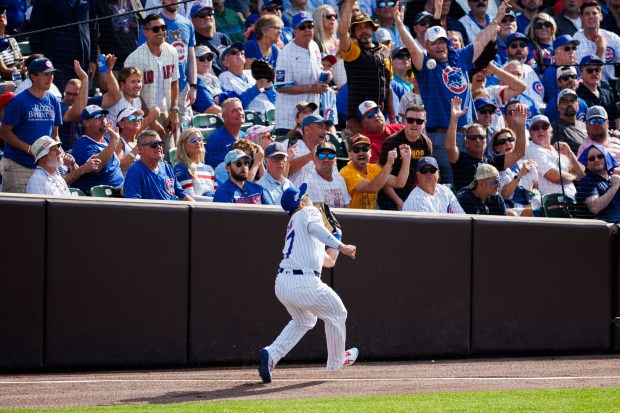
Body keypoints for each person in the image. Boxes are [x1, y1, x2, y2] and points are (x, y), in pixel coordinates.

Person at [394, 1, 507, 186]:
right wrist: (399, 25)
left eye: (442, 42)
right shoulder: (426, 65)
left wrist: (497, 18)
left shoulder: (459, 57)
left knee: (472, 185)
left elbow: (480, 40)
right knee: (447, 184)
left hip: (469, 136)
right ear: (427, 46)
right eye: (434, 43)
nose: (440, 46)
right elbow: (412, 48)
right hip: (440, 136)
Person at [258, 183, 358, 384]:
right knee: (338, 313)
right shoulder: (308, 213)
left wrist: (337, 237)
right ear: (301, 203)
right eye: (306, 195)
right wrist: (342, 246)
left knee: (305, 321)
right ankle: (337, 361)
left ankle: (272, 354)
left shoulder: (301, 229)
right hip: (302, 282)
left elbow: (329, 262)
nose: (310, 198)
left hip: (283, 284)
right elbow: (315, 227)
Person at [0, 57, 62, 193]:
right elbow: (4, 132)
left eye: (52, 74)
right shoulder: (19, 101)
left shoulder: (53, 101)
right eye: (46, 74)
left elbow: (55, 134)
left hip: (44, 168)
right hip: (19, 165)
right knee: (19, 212)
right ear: (33, 76)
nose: (50, 78)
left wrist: (58, 150)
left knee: (43, 210)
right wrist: (29, 149)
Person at [125, 14, 180, 154]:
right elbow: (133, 94)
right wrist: (150, 120)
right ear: (146, 32)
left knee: (171, 155)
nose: (161, 32)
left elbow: (175, 81)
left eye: (163, 27)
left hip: (165, 114)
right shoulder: (135, 58)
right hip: (140, 117)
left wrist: (174, 110)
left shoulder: (172, 51)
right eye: (156, 29)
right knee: (147, 158)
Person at [448, 96, 527, 192]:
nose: (477, 140)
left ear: (486, 140)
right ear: (466, 142)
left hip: (489, 205)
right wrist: (454, 119)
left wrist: (521, 126)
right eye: (473, 138)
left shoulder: (491, 162)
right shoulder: (461, 160)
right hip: (468, 205)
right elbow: (450, 147)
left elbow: (519, 153)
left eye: (481, 137)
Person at [338, 2, 394, 134]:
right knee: (361, 153)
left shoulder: (384, 50)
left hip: (380, 118)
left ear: (373, 29)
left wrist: (392, 117)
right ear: (354, 33)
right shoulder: (352, 51)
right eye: (359, 28)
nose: (364, 31)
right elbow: (341, 32)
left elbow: (388, 87)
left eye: (367, 27)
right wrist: (350, 3)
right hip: (358, 120)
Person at [274, 11, 325, 135]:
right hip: (289, 121)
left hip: (311, 118)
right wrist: (311, 88)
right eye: (303, 27)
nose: (307, 30)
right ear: (295, 31)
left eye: (310, 26)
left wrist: (326, 76)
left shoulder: (314, 46)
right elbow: (281, 87)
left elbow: (318, 70)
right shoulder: (286, 53)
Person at [29, 0, 98, 89]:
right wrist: (40, 61)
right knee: (60, 100)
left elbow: (94, 27)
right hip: (55, 65)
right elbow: (35, 30)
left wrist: (92, 58)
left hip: (83, 63)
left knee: (81, 101)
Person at [377, 104, 431, 210]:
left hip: (412, 195)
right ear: (404, 121)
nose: (414, 124)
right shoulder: (391, 143)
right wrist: (398, 201)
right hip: (388, 196)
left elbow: (425, 173)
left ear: (424, 123)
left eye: (419, 121)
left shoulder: (426, 143)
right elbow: (383, 177)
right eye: (410, 120)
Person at [340, 133, 410, 209]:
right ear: (350, 154)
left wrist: (406, 158)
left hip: (369, 217)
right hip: (350, 217)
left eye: (365, 149)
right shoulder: (346, 172)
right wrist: (389, 164)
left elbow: (399, 183)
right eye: (356, 149)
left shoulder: (373, 168)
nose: (361, 152)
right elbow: (372, 188)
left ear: (370, 152)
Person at [525, 114, 585, 200]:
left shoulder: (558, 149)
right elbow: (555, 176)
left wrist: (570, 153)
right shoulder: (531, 149)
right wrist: (574, 177)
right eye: (535, 128)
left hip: (573, 200)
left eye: (544, 127)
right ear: (530, 133)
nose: (540, 130)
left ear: (551, 132)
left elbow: (582, 175)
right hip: (553, 204)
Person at [124, 130, 194, 201]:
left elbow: (182, 195)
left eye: (160, 143)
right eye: (153, 144)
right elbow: (133, 203)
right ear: (141, 149)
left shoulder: (167, 168)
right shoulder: (135, 172)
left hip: (173, 210)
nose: (158, 147)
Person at [71, 105, 124, 193]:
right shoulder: (83, 143)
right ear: (86, 123)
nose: (103, 119)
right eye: (98, 117)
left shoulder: (106, 140)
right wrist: (114, 141)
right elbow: (96, 165)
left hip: (119, 190)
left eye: (104, 116)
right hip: (103, 195)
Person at [218, 42, 276, 118]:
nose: (239, 54)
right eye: (234, 53)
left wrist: (268, 87)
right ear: (225, 63)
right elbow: (234, 105)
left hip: (272, 113)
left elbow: (274, 99)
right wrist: (256, 88)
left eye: (242, 52)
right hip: (253, 119)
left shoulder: (252, 73)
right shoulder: (225, 76)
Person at [491, 127, 538, 216]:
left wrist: (533, 172)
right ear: (496, 148)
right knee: (536, 211)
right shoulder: (495, 167)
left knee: (550, 206)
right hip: (511, 206)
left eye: (510, 139)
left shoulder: (522, 163)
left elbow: (535, 187)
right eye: (502, 142)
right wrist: (520, 175)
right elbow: (503, 195)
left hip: (527, 204)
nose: (507, 143)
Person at [574, 1, 620, 85]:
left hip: (611, 86)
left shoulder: (612, 38)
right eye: (587, 14)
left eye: (594, 13)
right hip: (586, 86)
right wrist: (600, 49)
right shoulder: (576, 41)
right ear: (581, 18)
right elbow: (590, 73)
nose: (591, 17)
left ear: (601, 16)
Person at [576, 143, 620, 222]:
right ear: (587, 164)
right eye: (592, 158)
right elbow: (594, 208)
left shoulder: (614, 177)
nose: (596, 160)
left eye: (600, 156)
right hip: (607, 228)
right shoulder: (586, 182)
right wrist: (615, 187)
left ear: (606, 158)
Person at [576, 55, 620, 129]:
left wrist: (618, 131)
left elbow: (616, 118)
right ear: (581, 72)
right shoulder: (577, 95)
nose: (594, 73)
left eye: (597, 70)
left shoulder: (608, 93)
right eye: (590, 70)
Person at [287, 114, 331, 187]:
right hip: (293, 196)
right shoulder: (291, 144)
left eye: (325, 128)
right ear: (307, 130)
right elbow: (284, 169)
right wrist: (310, 156)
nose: (324, 132)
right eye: (320, 126)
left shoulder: (325, 151)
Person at [191, 1, 233, 76]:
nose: (207, 17)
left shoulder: (223, 37)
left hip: (230, 78)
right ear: (193, 21)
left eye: (210, 14)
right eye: (202, 15)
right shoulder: (192, 41)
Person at [174, 128, 217, 200]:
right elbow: (189, 198)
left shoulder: (209, 169)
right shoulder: (181, 168)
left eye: (200, 139)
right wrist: (216, 201)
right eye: (193, 140)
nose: (198, 142)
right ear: (184, 146)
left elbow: (216, 193)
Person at [306, 141, 351, 208]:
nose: (326, 160)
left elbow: (347, 206)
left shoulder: (340, 179)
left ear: (335, 160)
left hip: (341, 218)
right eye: (322, 156)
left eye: (330, 156)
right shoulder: (310, 181)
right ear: (314, 160)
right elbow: (321, 212)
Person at [205, 97, 246, 167]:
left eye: (240, 109)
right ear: (224, 116)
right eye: (234, 111)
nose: (239, 113)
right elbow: (219, 171)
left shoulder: (244, 136)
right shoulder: (216, 140)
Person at [541, 34, 580, 104]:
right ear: (556, 52)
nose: (572, 52)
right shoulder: (550, 73)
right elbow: (557, 102)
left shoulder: (576, 69)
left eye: (573, 48)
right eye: (567, 49)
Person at [551, 89, 587, 155]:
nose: (570, 104)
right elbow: (561, 156)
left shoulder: (583, 125)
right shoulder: (555, 127)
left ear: (578, 105)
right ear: (558, 107)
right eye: (564, 101)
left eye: (573, 101)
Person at [193, 46, 224, 114]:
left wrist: (220, 96)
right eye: (202, 58)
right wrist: (233, 112)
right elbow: (211, 109)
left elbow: (232, 95)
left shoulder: (213, 78)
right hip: (209, 123)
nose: (206, 61)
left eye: (209, 58)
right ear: (192, 60)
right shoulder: (194, 81)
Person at [115, 106, 143, 175]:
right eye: (132, 118)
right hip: (126, 184)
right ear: (121, 124)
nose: (137, 120)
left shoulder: (138, 142)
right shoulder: (118, 142)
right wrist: (136, 148)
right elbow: (119, 169)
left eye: (139, 118)